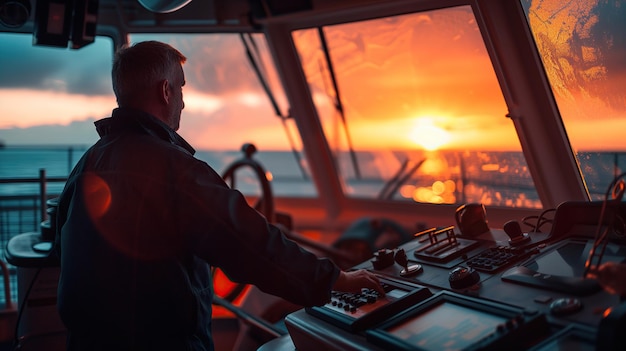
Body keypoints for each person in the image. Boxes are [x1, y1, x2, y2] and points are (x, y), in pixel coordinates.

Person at [55, 40, 384, 350]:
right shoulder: (174, 169)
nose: (183, 101)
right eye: (181, 88)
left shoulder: (87, 164)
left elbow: (62, 245)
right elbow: (252, 246)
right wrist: (336, 280)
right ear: (166, 91)